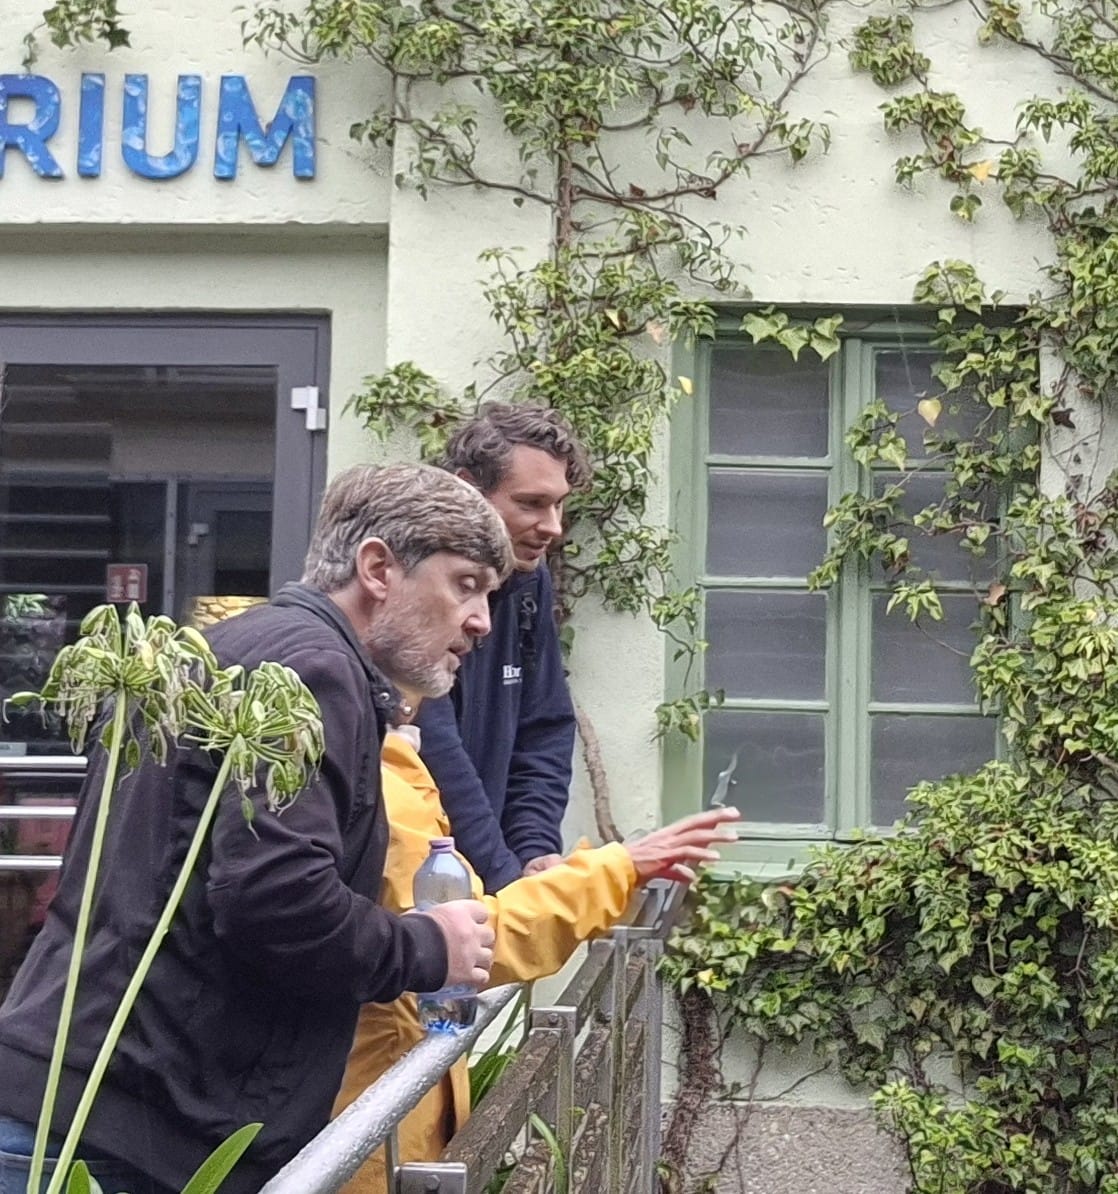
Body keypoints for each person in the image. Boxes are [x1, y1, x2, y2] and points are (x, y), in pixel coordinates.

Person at [0, 464, 512, 1194]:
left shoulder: (235, 647)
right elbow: (277, 902)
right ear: (377, 568)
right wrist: (431, 946)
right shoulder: (313, 671)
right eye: (465, 584)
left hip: (78, 1099)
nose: (482, 621)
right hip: (129, 1133)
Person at [333, 704, 741, 1194]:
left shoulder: (383, 758)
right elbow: (475, 942)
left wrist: (598, 872)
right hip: (370, 1117)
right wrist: (616, 871)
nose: (466, 662)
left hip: (393, 1106)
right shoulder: (379, 778)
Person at [418, 402, 592, 892]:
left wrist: (533, 849)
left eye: (558, 504)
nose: (553, 526)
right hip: (414, 888)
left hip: (486, 885)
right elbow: (437, 753)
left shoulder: (529, 584)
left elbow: (544, 727)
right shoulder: (413, 586)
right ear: (467, 490)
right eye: (531, 504)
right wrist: (506, 878)